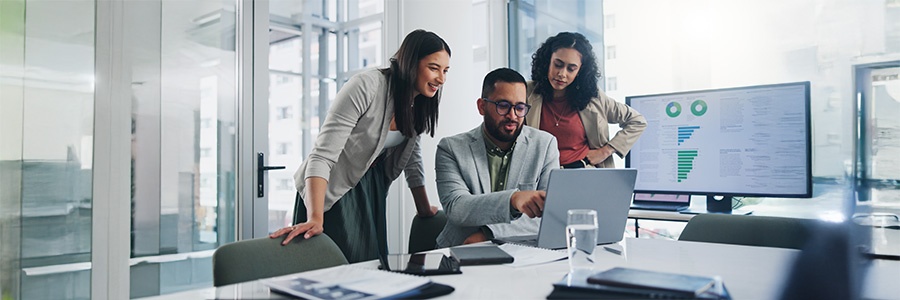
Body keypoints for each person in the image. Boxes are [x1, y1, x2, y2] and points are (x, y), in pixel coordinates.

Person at [270, 29, 449, 263]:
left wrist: (424, 208)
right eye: (434, 68)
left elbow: (411, 157)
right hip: (332, 187)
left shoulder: (418, 103)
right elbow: (321, 156)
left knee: (371, 265)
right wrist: (315, 217)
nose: (441, 79)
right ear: (410, 63)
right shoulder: (367, 85)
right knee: (343, 267)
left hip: (370, 186)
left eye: (445, 71)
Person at [435, 67, 560, 247]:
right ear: (482, 106)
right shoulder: (451, 148)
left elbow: (550, 214)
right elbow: (457, 208)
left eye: (520, 107)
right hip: (460, 249)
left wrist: (488, 233)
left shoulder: (545, 145)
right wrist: (513, 200)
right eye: (503, 106)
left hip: (523, 252)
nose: (513, 116)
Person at [524, 32, 646, 169]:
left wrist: (605, 151)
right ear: (547, 62)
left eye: (571, 69)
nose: (562, 74)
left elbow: (637, 121)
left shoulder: (593, 97)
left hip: (585, 175)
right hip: (540, 177)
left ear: (580, 71)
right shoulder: (526, 92)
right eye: (558, 65)